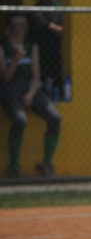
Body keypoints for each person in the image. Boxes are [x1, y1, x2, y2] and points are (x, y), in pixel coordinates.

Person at [1, 13, 61, 177]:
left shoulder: (31, 46)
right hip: (10, 87)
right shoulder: (3, 46)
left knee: (55, 118)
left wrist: (30, 94)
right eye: (16, 25)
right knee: (20, 120)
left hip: (30, 87)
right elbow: (5, 77)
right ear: (9, 27)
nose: (19, 29)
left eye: (23, 25)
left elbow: (36, 76)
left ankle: (46, 163)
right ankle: (14, 166)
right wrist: (15, 60)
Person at [24, 0, 63, 100]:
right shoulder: (34, 10)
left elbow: (67, 34)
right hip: (39, 61)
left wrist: (45, 24)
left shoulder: (61, 6)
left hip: (58, 59)